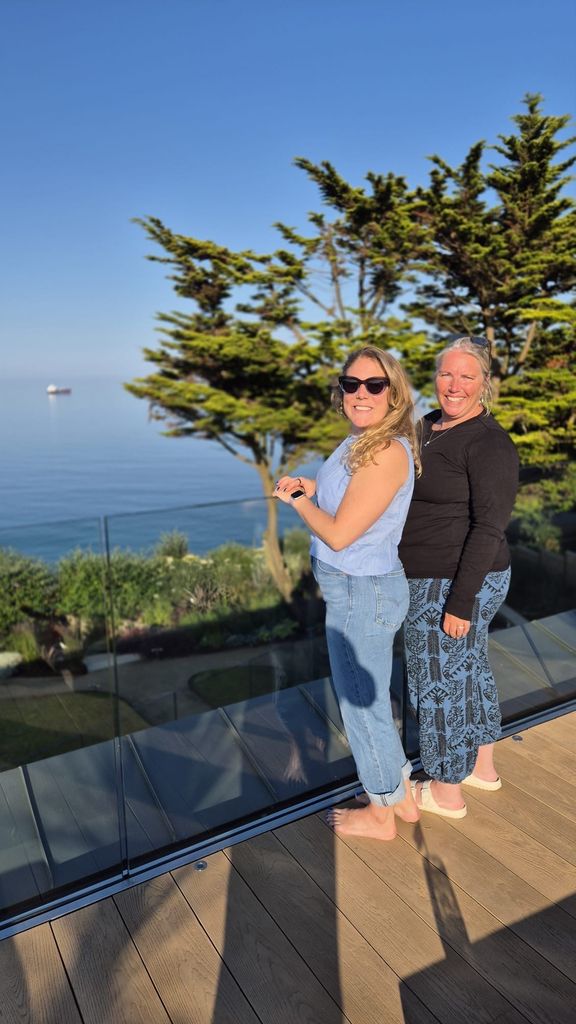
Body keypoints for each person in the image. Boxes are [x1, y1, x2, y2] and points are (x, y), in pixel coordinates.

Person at [274, 345, 421, 841]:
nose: (360, 393)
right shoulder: (362, 440)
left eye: (374, 386)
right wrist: (310, 486)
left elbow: (339, 535)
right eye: (351, 384)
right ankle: (397, 798)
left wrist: (296, 502)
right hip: (355, 592)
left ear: (394, 394)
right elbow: (343, 495)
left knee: (362, 706)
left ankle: (380, 817)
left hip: (362, 595)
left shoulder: (384, 452)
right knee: (371, 700)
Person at [399, 335, 519, 818]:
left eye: (467, 376)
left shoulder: (490, 443)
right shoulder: (428, 425)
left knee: (438, 681)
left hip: (454, 581)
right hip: (447, 577)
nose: (454, 384)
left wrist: (459, 602)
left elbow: (490, 525)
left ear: (484, 384)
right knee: (466, 671)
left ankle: (446, 791)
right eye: (447, 373)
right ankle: (480, 768)